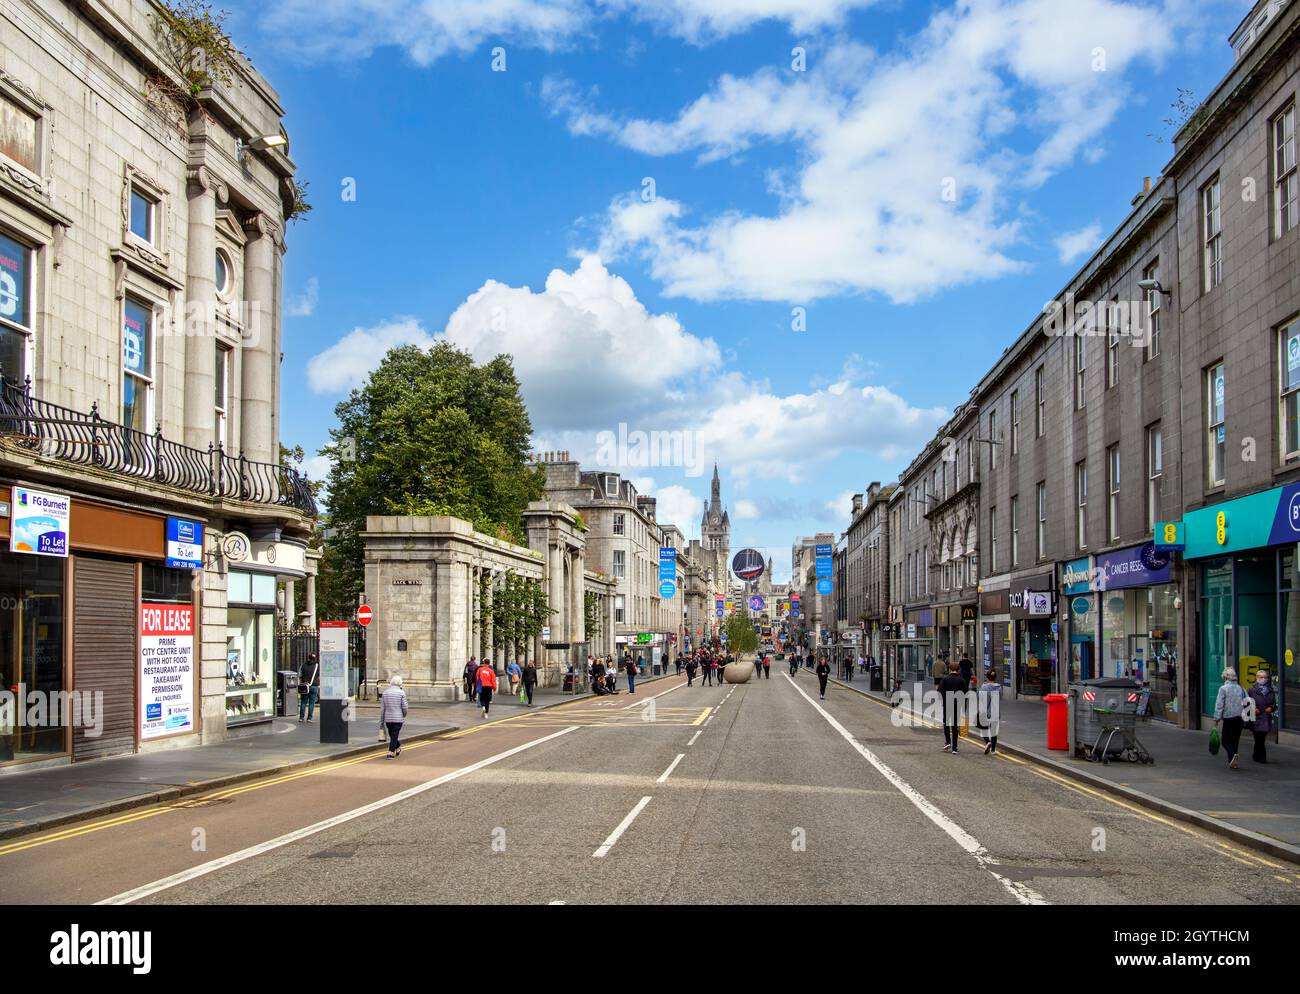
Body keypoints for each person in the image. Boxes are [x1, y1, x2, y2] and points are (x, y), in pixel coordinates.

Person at [1212, 667, 1247, 770]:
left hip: (1229, 718)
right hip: (1240, 718)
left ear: (1226, 677)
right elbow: (1247, 702)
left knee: (1225, 740)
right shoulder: (1241, 688)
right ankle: (1233, 763)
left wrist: (1216, 718)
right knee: (1235, 740)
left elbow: (1220, 704)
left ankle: (1232, 756)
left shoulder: (1223, 689)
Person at [1248, 669, 1278, 764]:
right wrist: (1253, 709)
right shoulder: (1251, 690)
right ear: (1257, 678)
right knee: (1258, 738)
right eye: (1261, 677)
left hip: (1266, 718)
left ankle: (1256, 755)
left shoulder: (1270, 690)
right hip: (1256, 718)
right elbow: (1246, 704)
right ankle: (1261, 757)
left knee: (1261, 738)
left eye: (1265, 677)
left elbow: (1274, 704)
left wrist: (1271, 708)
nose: (1263, 679)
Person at [939, 662, 966, 754]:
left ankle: (947, 742)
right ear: (958, 670)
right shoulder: (961, 680)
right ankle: (955, 748)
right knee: (955, 726)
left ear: (950, 669)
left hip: (947, 703)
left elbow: (940, 691)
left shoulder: (945, 679)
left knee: (946, 723)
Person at [380, 674, 408, 759]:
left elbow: (383, 708)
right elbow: (405, 707)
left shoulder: (385, 692)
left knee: (392, 735)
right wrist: (404, 714)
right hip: (398, 718)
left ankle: (392, 750)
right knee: (393, 735)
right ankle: (394, 750)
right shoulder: (401, 692)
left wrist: (382, 720)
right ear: (400, 683)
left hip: (388, 719)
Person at [976, 668, 1002, 755]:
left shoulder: (984, 687)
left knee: (983, 729)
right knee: (994, 731)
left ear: (987, 677)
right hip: (995, 711)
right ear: (995, 678)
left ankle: (987, 742)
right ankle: (993, 750)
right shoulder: (999, 687)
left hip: (985, 711)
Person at [297, 653, 320, 723]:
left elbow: (299, 675)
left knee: (303, 702)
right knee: (312, 703)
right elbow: (319, 676)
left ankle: (301, 718)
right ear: (315, 659)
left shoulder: (303, 665)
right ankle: (309, 718)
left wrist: (302, 683)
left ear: (308, 658)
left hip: (305, 686)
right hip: (314, 686)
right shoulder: (317, 666)